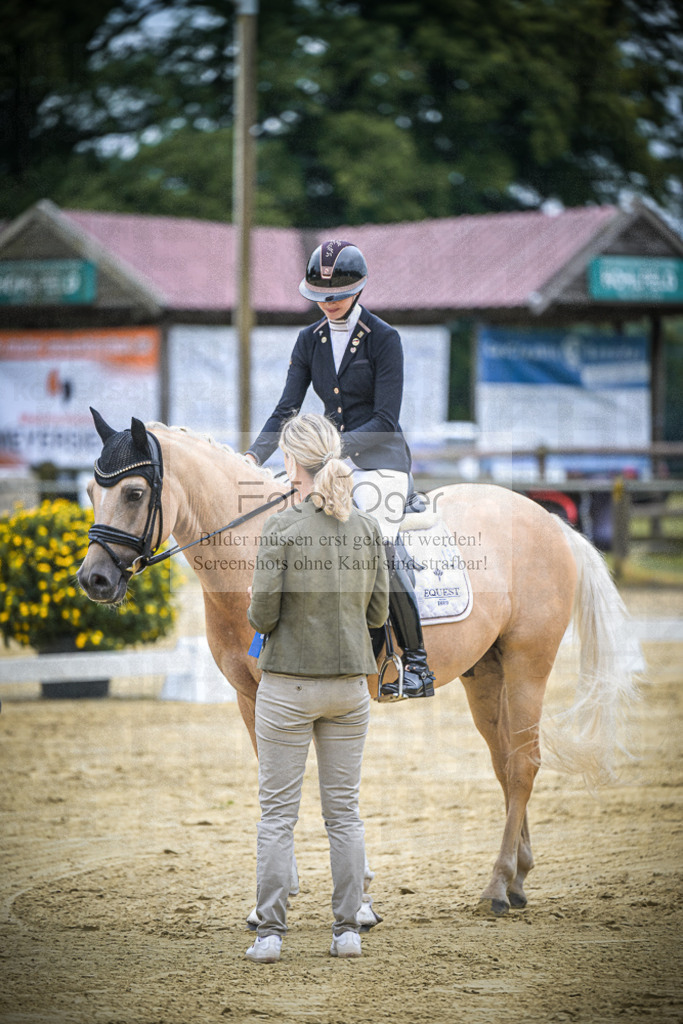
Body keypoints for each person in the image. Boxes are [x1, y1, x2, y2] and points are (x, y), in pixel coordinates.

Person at [244, 240, 434, 699]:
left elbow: (385, 420)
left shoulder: (384, 338)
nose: (327, 303)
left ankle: (416, 662)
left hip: (379, 462)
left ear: (359, 289)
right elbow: (286, 408)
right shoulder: (309, 340)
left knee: (379, 543)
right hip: (326, 463)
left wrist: (329, 451)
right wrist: (250, 458)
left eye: (337, 295)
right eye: (319, 296)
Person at [244, 413, 389, 963]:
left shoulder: (280, 528)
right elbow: (377, 615)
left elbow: (262, 615)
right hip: (350, 689)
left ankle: (270, 935)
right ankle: (347, 930)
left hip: (288, 688)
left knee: (278, 817)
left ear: (290, 462)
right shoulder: (368, 528)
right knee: (344, 815)